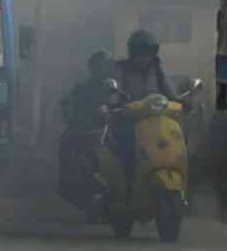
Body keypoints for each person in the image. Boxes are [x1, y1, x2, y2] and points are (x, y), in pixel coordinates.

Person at [110, 29, 183, 203]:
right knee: (128, 147)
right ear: (133, 52)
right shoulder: (122, 68)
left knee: (178, 138)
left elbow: (169, 90)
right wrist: (115, 103)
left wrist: (182, 102)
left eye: (149, 52)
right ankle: (128, 184)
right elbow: (114, 91)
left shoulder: (157, 68)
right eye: (141, 52)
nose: (145, 57)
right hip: (130, 118)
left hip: (156, 118)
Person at [58, 49, 113, 213]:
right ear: (92, 67)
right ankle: (67, 184)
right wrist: (69, 113)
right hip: (86, 129)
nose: (102, 69)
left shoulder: (116, 86)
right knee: (66, 144)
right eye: (99, 65)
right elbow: (67, 102)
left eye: (105, 65)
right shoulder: (83, 86)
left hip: (111, 128)